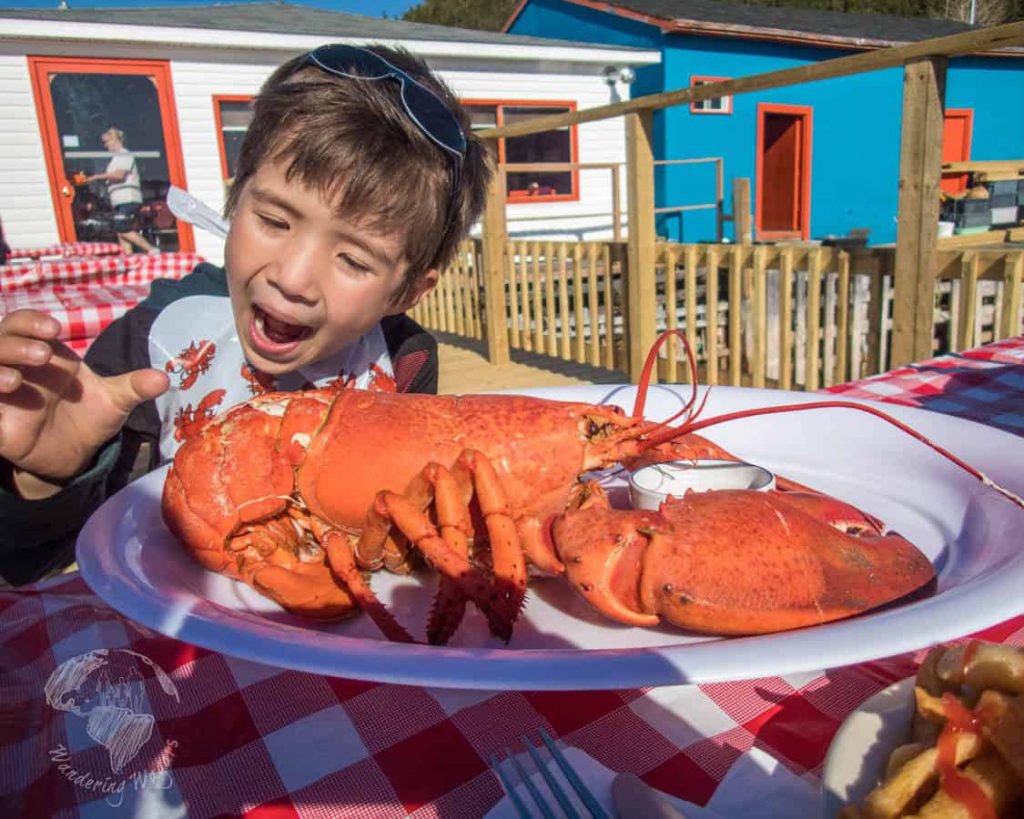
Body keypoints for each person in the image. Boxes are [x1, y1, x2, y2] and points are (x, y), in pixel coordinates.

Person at [0, 44, 490, 585]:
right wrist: (52, 476)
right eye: (275, 221)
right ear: (235, 202)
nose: (292, 277)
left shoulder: (404, 361)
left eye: (352, 259)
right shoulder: (150, 341)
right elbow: (33, 559)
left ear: (407, 292)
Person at [82, 127, 157, 254]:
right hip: (119, 200)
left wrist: (97, 177)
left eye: (107, 142)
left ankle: (152, 250)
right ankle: (127, 256)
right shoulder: (116, 158)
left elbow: (119, 175)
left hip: (128, 198)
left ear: (115, 140)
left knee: (122, 227)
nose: (106, 146)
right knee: (119, 231)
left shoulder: (124, 154)